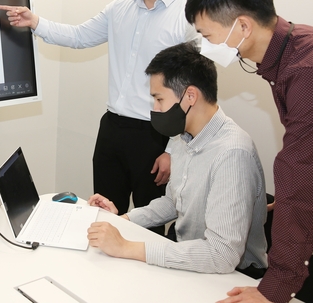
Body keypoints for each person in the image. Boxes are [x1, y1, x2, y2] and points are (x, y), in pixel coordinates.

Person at [0, 0, 201, 226]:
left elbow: (193, 92)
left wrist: (174, 149)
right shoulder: (119, 8)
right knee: (102, 215)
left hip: (157, 135)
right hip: (112, 128)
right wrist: (35, 22)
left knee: (148, 226)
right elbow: (79, 36)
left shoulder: (188, 19)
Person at [184, 0, 313, 303]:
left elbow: (303, 178)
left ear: (243, 26)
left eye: (207, 35)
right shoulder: (291, 50)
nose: (205, 45)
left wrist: (273, 290)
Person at [87, 41, 268, 275]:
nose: (155, 108)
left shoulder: (232, 154)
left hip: (233, 277)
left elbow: (221, 255)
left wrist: (127, 247)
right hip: (188, 253)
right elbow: (174, 202)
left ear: (190, 96)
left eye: (159, 99)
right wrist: (124, 220)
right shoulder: (185, 135)